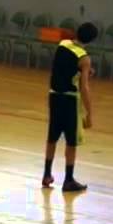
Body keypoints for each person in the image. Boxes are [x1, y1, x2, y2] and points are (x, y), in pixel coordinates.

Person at [43, 23, 98, 192]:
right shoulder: (84, 58)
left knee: (52, 136)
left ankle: (46, 174)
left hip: (53, 95)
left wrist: (85, 70)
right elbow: (84, 87)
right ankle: (68, 179)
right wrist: (89, 112)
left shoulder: (63, 44)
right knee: (71, 141)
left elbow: (66, 66)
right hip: (70, 99)